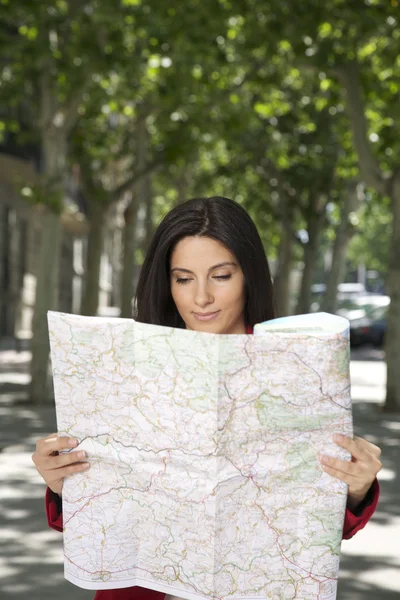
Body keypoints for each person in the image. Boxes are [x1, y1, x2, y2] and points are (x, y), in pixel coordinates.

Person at [32, 196, 382, 600]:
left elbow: (308, 529)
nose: (201, 298)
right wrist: (62, 483)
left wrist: (355, 488)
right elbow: (101, 518)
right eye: (183, 279)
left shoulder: (297, 372)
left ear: (248, 276)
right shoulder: (125, 369)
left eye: (220, 276)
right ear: (166, 283)